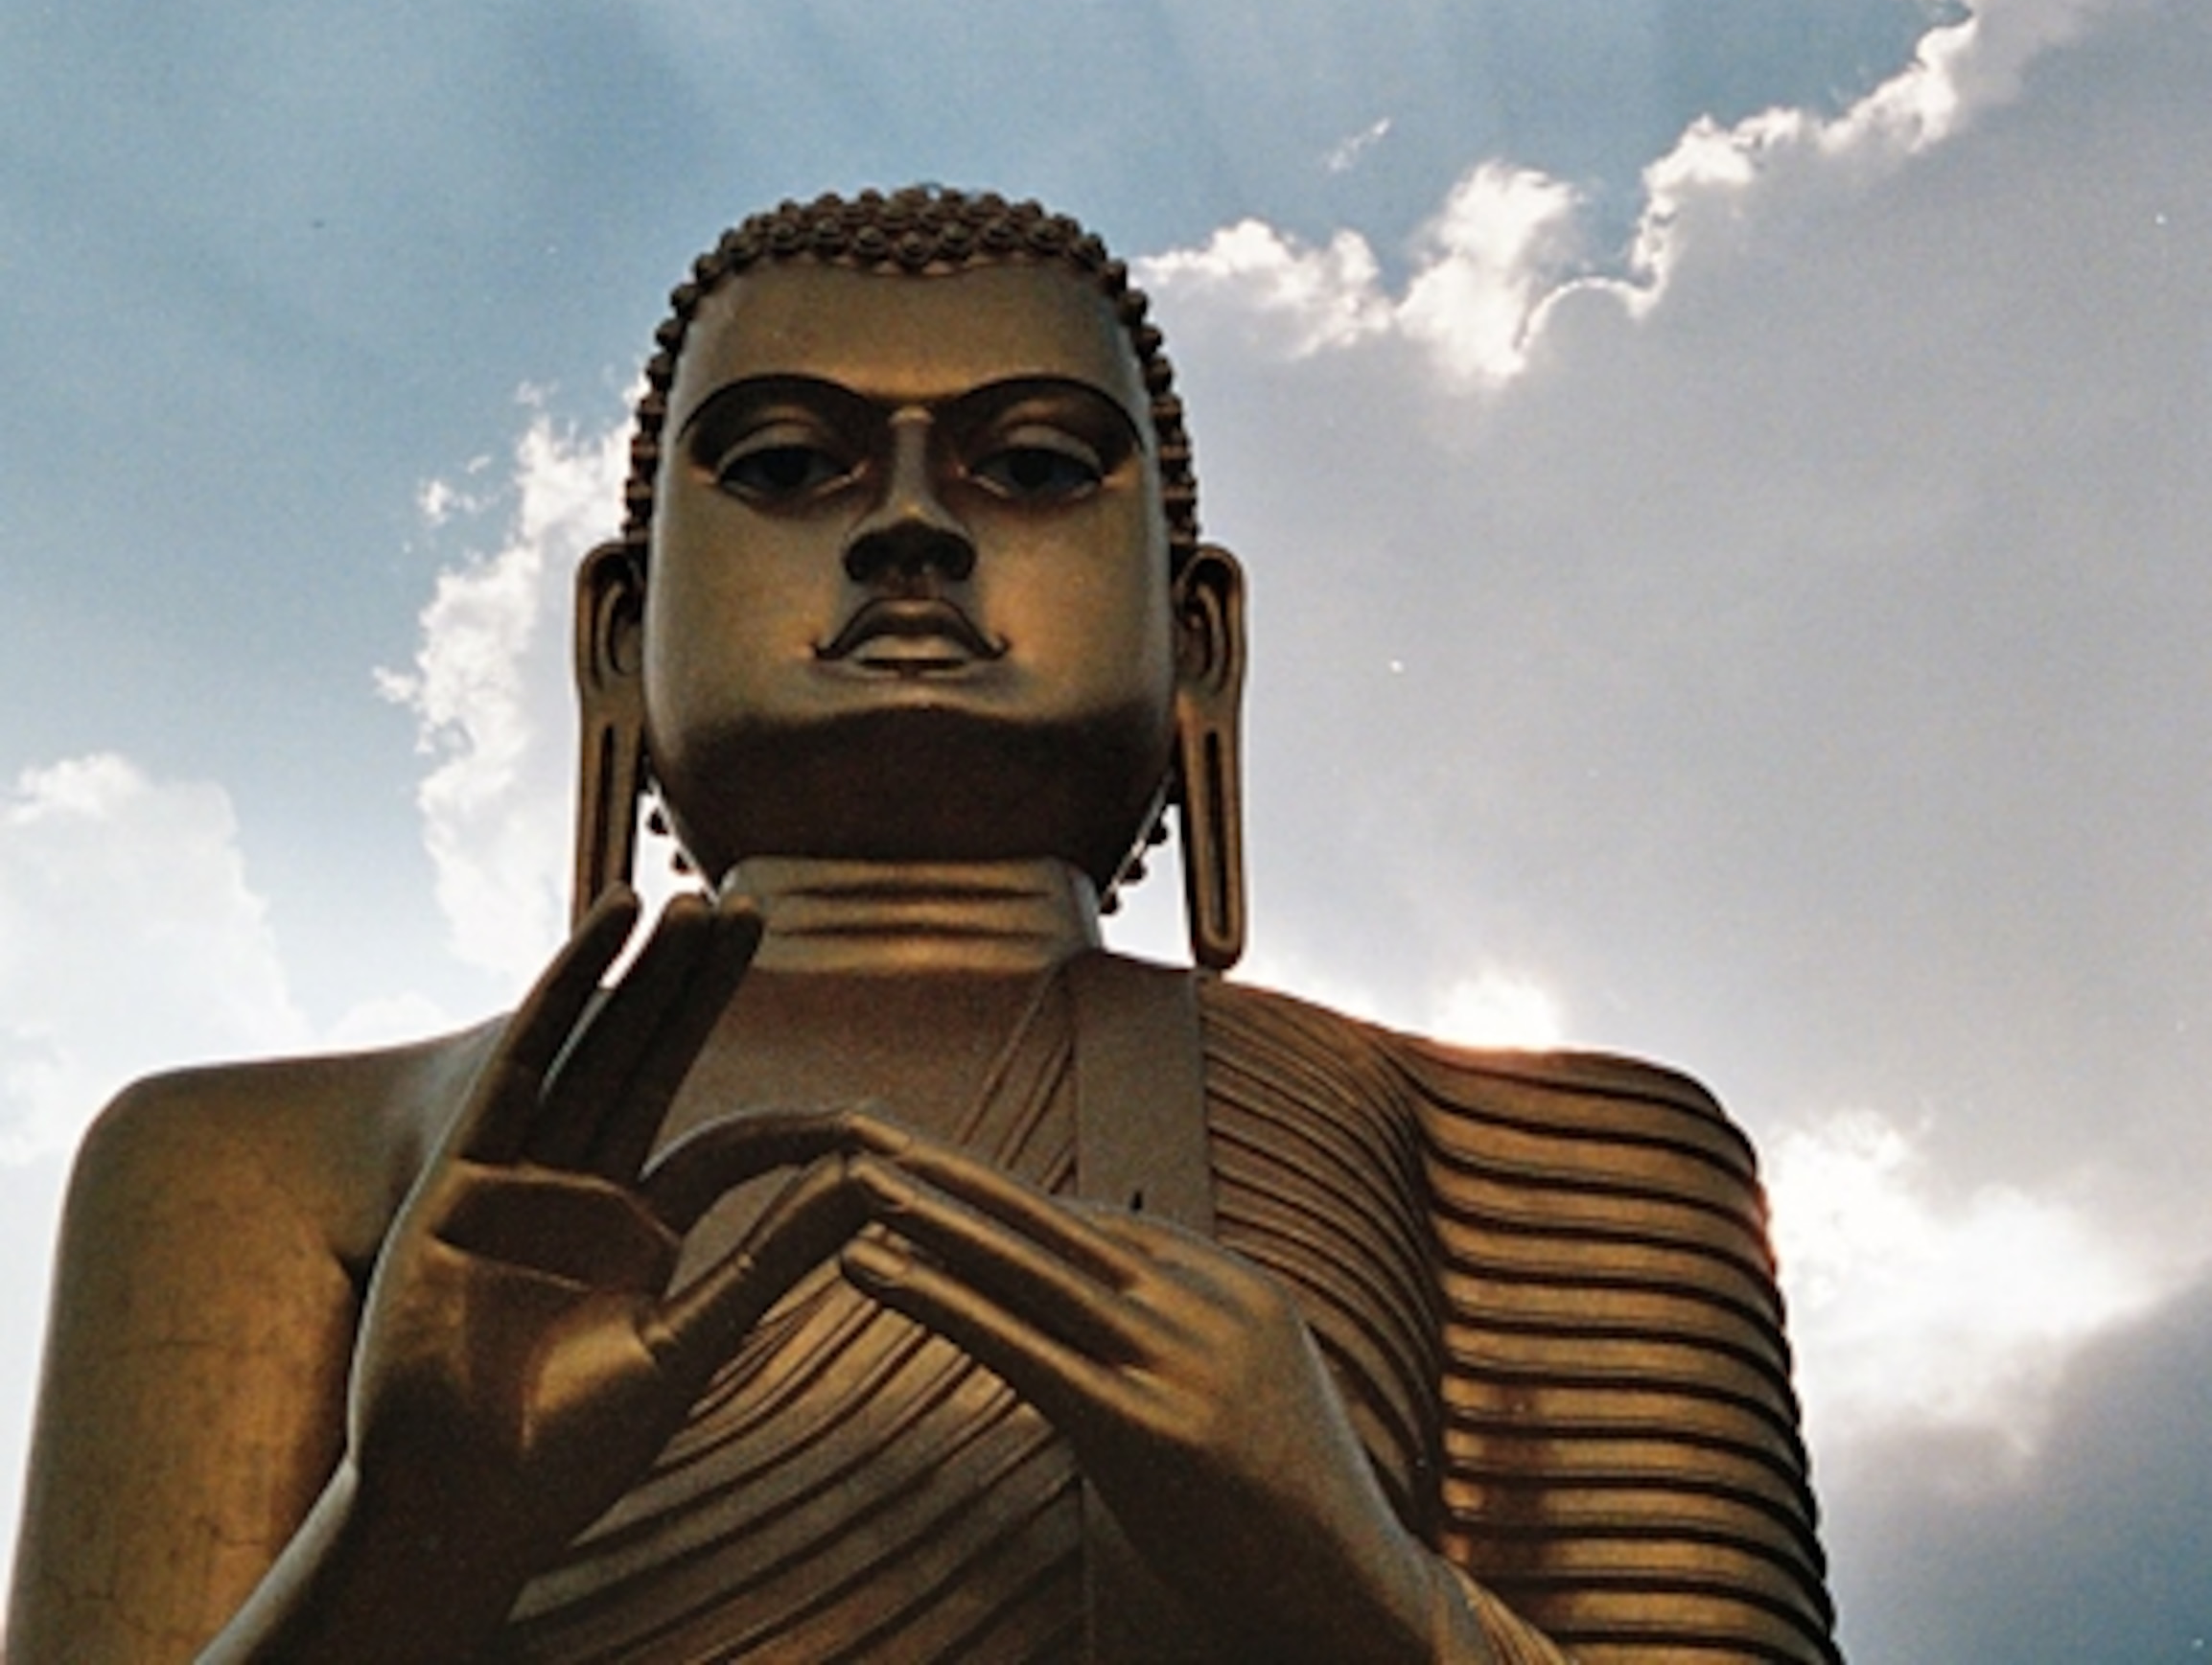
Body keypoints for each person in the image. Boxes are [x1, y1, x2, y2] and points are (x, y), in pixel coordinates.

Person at [7, 188, 1842, 1665]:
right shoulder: (267, 1167)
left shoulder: (1540, 1154)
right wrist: (412, 1545)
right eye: (783, 464)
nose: (906, 531)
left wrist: (1348, 1585)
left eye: (1030, 467)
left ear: (1197, 640)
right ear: (619, 636)